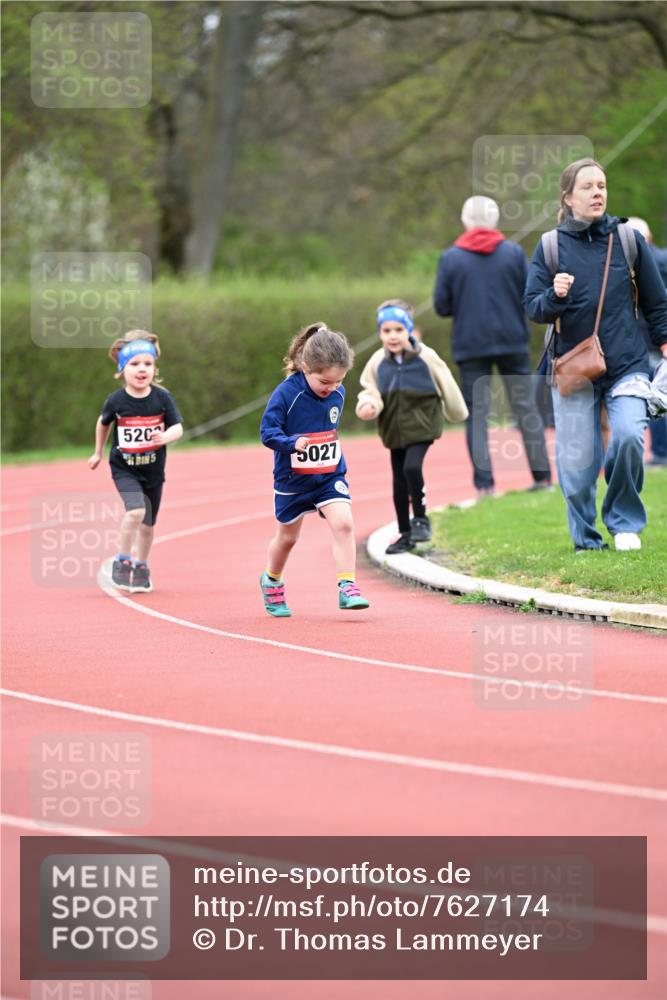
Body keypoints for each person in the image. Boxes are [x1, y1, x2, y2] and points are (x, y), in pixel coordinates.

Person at [524, 159, 667, 552]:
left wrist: (666, 341)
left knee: (627, 438)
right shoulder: (550, 246)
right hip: (573, 367)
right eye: (587, 187)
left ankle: (623, 523)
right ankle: (586, 539)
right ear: (568, 197)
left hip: (627, 364)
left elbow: (657, 302)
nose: (597, 193)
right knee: (576, 464)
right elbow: (534, 308)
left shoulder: (628, 240)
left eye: (601, 185)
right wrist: (555, 294)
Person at [433, 195, 552, 498]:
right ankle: (543, 478)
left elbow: (442, 306)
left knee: (478, 414)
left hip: (471, 344)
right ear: (496, 220)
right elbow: (529, 295)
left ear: (465, 221)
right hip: (512, 340)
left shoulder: (451, 258)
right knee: (526, 409)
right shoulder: (513, 254)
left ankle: (485, 486)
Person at [259, 322, 370, 616]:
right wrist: (291, 443)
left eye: (338, 382)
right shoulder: (286, 394)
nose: (331, 388)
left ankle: (347, 586)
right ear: (305, 367)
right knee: (288, 538)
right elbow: (267, 432)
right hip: (293, 480)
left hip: (329, 474)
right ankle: (271, 580)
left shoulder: (338, 391)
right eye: (324, 382)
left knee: (344, 523)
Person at [356, 299, 468, 554]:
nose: (393, 336)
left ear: (408, 330)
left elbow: (446, 382)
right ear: (380, 332)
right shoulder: (377, 361)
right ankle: (405, 533)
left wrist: (457, 412)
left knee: (412, 467)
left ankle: (421, 520)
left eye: (398, 330)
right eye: (386, 331)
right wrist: (368, 405)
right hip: (394, 429)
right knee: (398, 481)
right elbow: (370, 389)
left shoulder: (425, 357)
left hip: (423, 425)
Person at [88, 329, 183, 592]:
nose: (142, 369)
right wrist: (98, 451)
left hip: (153, 470)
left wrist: (162, 437)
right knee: (135, 511)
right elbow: (103, 422)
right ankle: (122, 560)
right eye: (135, 364)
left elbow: (178, 428)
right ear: (122, 369)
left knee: (148, 524)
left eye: (148, 364)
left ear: (154, 368)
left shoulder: (162, 397)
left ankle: (141, 566)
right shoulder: (116, 400)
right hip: (124, 468)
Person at [627, 216, 667, 466]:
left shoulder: (633, 265)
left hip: (645, 337)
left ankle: (660, 452)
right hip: (661, 338)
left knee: (653, 397)